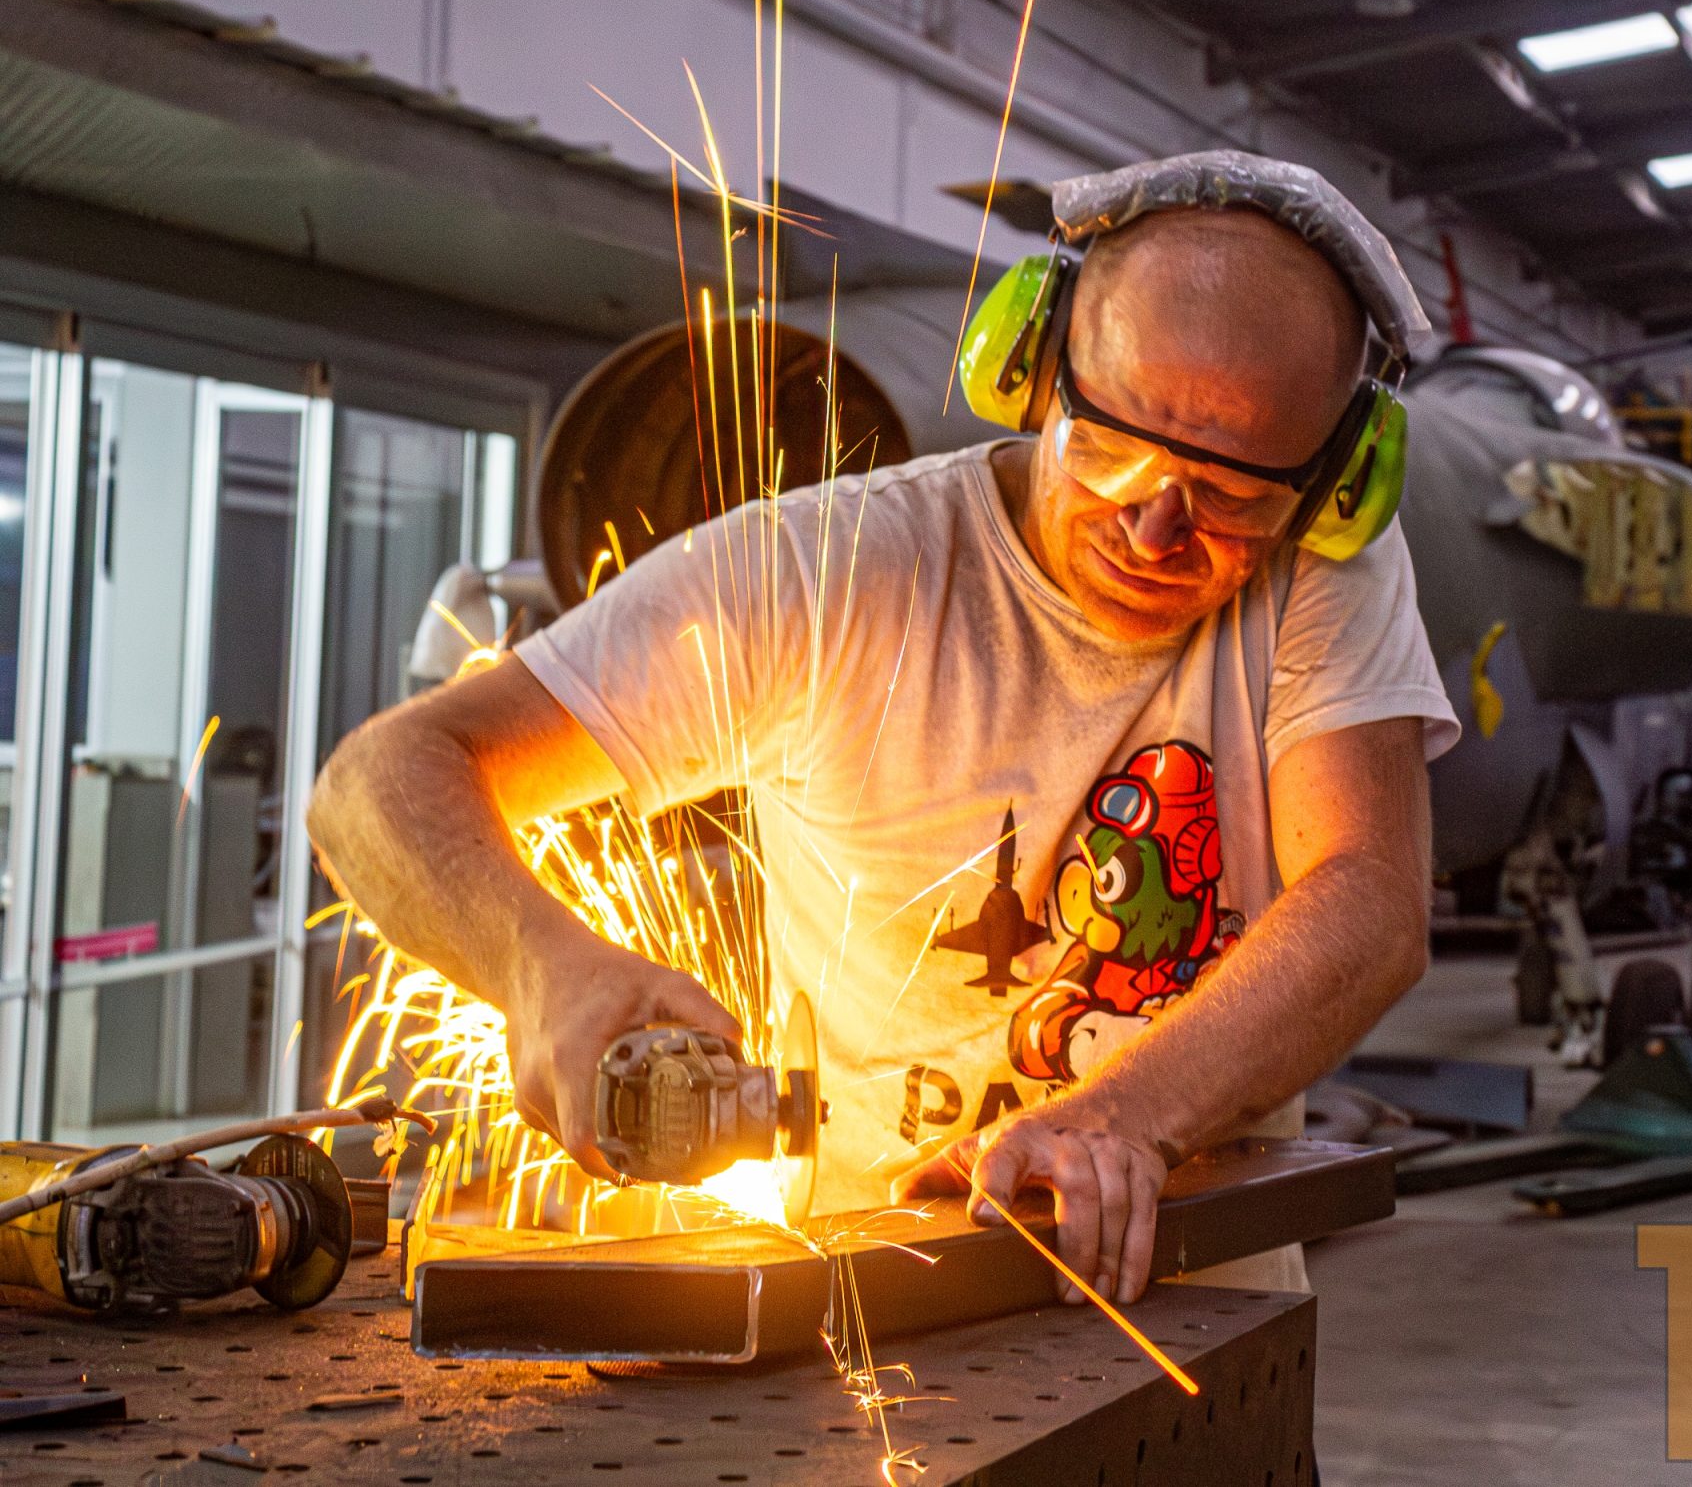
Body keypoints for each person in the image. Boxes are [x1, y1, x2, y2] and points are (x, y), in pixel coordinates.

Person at [309, 150, 1461, 1307]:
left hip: (1201, 1314)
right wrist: (539, 962)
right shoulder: (830, 570)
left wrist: (1122, 1117)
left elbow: (1367, 896)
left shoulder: (1322, 574)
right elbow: (375, 782)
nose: (1154, 522)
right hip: (865, 1305)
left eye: (1229, 493)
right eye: (1111, 444)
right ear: (1035, 370)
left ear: (1332, 483)